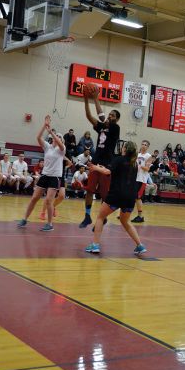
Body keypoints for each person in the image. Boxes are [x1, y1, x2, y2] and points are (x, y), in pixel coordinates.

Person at [85, 141, 147, 256]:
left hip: (117, 194)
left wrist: (95, 168)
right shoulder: (135, 164)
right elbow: (116, 171)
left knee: (100, 217)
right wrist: (102, 168)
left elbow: (108, 171)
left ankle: (95, 245)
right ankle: (140, 245)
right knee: (125, 222)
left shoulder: (119, 159)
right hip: (130, 197)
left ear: (124, 149)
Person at [79, 86, 120, 228]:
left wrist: (95, 98)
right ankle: (87, 216)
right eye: (110, 115)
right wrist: (85, 100)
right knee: (89, 190)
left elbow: (101, 116)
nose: (109, 117)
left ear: (117, 119)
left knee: (104, 195)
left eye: (112, 116)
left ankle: (102, 217)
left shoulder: (116, 128)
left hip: (106, 164)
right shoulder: (102, 127)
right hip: (96, 161)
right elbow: (90, 117)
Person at [18, 116, 65, 231]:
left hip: (55, 177)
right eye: (56, 136)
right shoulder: (48, 147)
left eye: (59, 137)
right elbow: (38, 137)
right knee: (34, 198)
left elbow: (60, 143)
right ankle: (24, 219)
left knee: (49, 201)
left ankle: (49, 224)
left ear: (61, 140)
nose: (57, 137)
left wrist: (52, 133)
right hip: (45, 175)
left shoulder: (62, 149)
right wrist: (45, 126)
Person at [39, 150, 72, 221]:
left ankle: (53, 206)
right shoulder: (53, 151)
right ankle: (43, 212)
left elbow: (70, 163)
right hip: (53, 175)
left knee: (62, 196)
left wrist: (64, 159)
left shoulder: (65, 152)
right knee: (49, 197)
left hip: (61, 175)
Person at [131, 140, 151, 223]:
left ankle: (140, 216)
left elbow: (147, 169)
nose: (143, 146)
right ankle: (125, 212)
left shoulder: (148, 156)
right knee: (131, 196)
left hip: (142, 179)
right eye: (142, 144)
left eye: (145, 145)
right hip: (135, 178)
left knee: (137, 197)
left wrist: (140, 166)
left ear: (147, 147)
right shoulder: (137, 154)